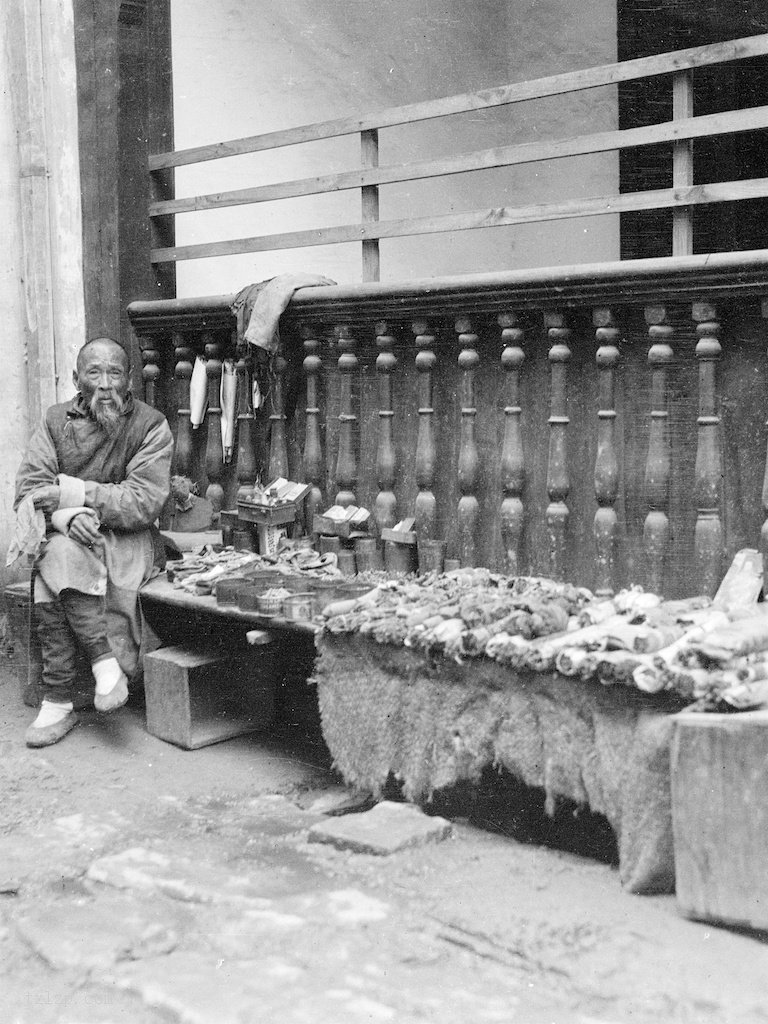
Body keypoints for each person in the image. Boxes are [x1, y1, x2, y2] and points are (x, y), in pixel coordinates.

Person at [13, 337, 173, 747]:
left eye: (115, 373)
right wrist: (67, 518)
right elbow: (29, 491)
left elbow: (144, 500)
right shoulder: (53, 421)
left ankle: (58, 699)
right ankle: (104, 665)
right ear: (76, 379)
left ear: (129, 379)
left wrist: (73, 495)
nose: (105, 384)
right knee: (59, 552)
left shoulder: (150, 424)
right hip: (69, 536)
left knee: (51, 567)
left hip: (126, 539)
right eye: (94, 373)